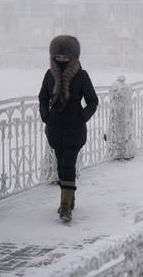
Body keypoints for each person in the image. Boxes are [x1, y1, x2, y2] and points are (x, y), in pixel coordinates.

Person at [38, 35, 98, 223]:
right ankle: (70, 198)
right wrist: (46, 116)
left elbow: (93, 101)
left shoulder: (81, 75)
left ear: (73, 56)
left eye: (65, 57)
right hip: (55, 129)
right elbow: (42, 98)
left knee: (68, 165)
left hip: (74, 129)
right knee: (60, 167)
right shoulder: (49, 75)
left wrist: (81, 117)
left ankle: (65, 208)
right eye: (58, 56)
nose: (61, 60)